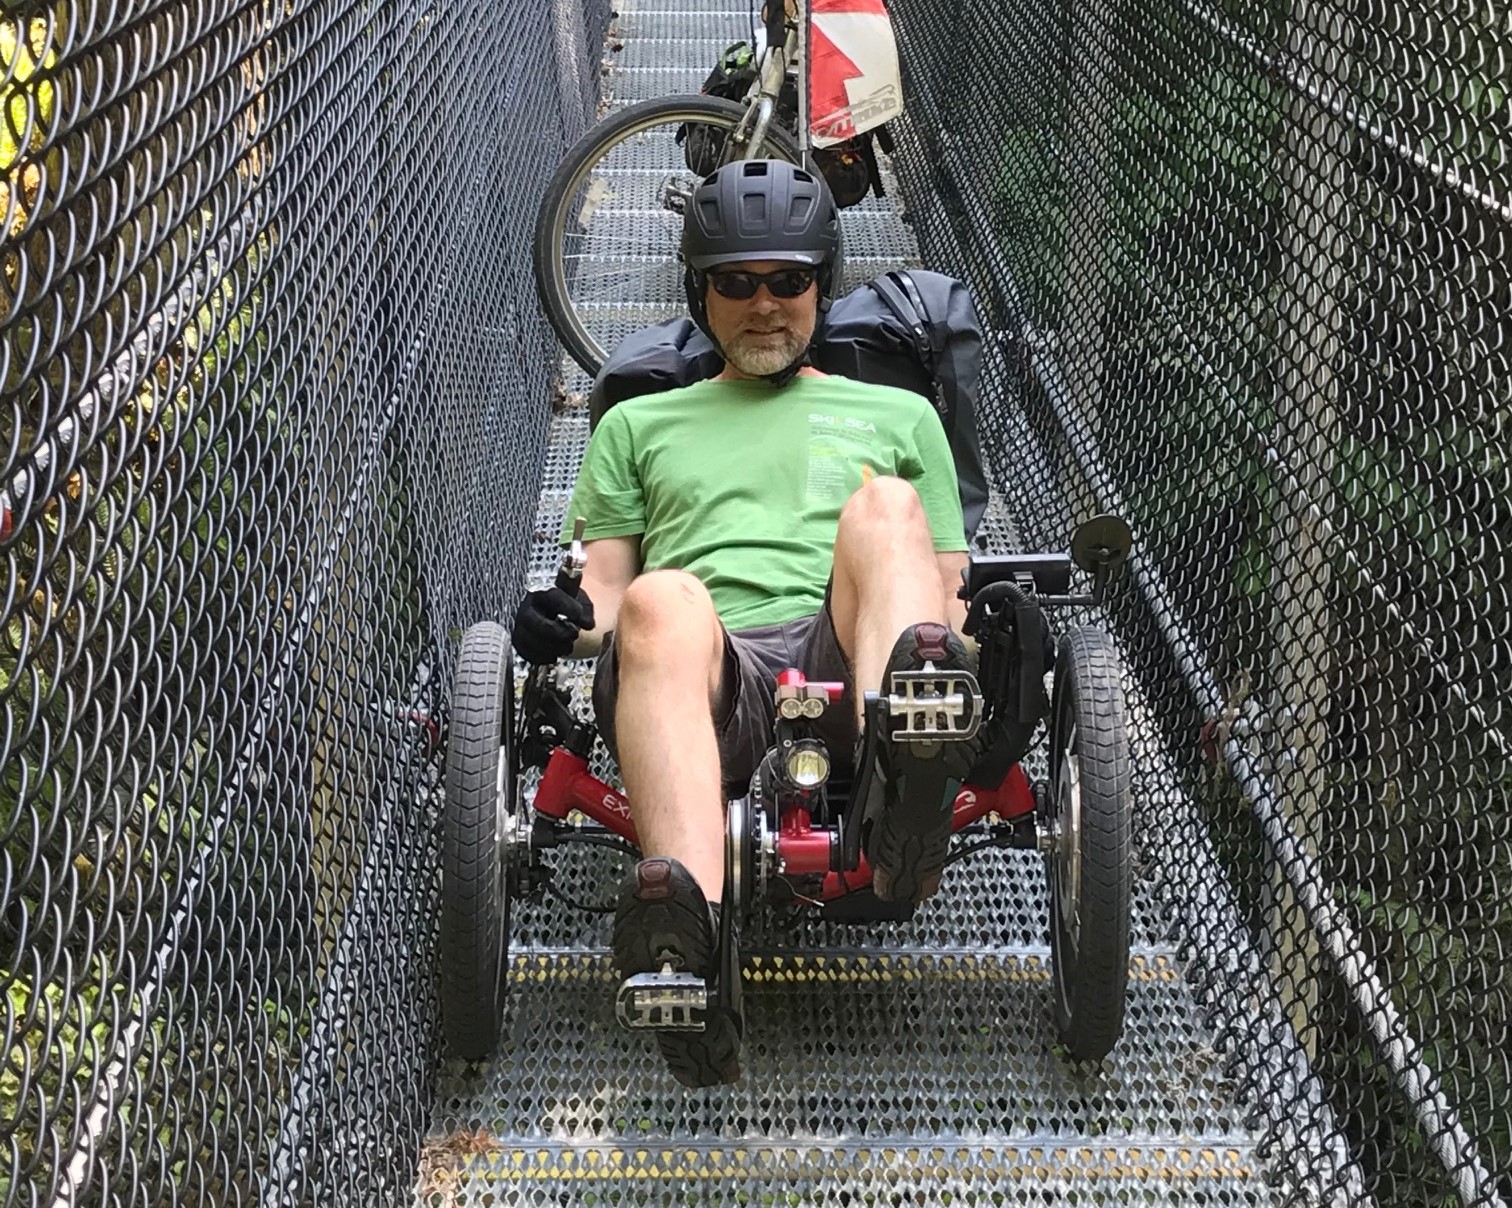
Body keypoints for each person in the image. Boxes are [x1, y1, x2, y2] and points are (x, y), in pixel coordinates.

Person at [511, 159, 976, 1086]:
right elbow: (607, 593)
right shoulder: (637, 425)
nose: (764, 305)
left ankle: (902, 799)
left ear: (822, 286)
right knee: (660, 597)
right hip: (710, 672)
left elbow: (949, 593)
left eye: (787, 281)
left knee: (888, 509)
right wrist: (565, 617)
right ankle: (691, 946)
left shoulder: (903, 414)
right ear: (701, 293)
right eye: (736, 283)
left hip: (854, 657)